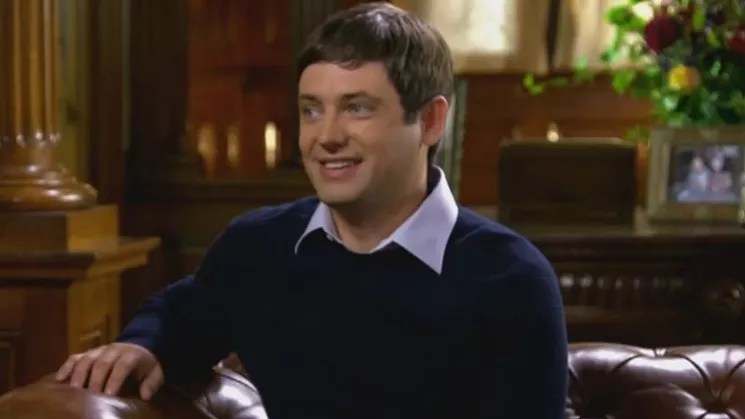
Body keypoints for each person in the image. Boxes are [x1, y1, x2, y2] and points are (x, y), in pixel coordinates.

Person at [55, 3, 568, 418]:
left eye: (357, 108)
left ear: (431, 122)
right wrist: (142, 346)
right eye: (311, 110)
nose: (327, 137)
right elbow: (178, 314)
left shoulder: (509, 280)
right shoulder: (259, 248)